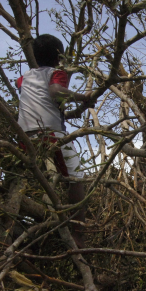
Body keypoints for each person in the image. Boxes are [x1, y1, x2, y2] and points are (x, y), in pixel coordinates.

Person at [16, 34, 93, 248]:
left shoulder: (23, 79)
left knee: (37, 178)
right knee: (76, 179)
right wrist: (83, 98)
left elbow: (40, 100)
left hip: (25, 137)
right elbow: (55, 92)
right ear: (60, 57)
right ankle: (79, 235)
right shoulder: (57, 73)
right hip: (51, 136)